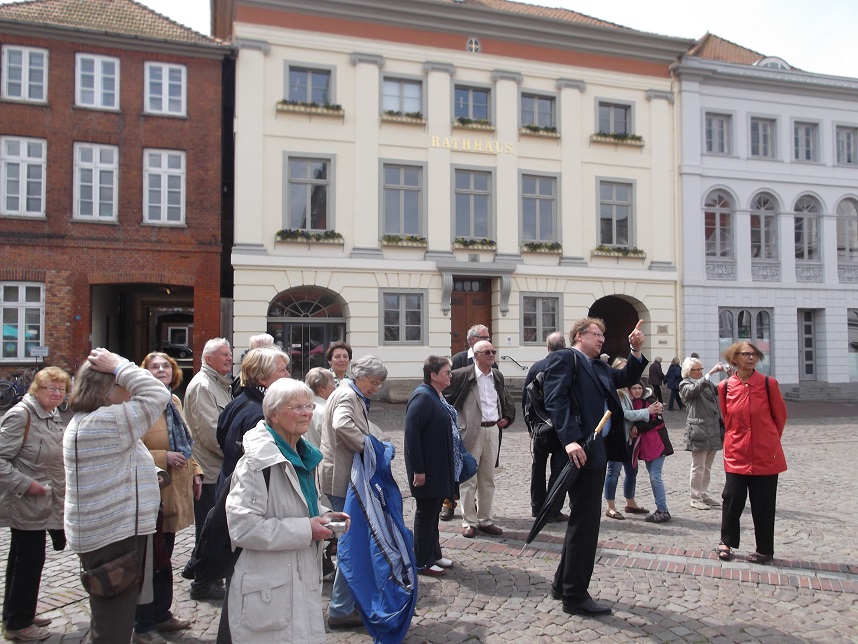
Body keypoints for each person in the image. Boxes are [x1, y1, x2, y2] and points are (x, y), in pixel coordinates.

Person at [225, 378, 349, 642]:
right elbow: (242, 527)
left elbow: (298, 505)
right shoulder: (257, 463)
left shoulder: (305, 456)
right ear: (274, 415)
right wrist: (306, 530)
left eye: (309, 406)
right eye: (297, 407)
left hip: (300, 576)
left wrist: (325, 516)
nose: (306, 413)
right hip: (268, 587)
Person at [542, 317, 647, 617]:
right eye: (596, 334)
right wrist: (569, 440)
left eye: (603, 334)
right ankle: (575, 596)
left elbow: (626, 376)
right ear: (579, 336)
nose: (601, 339)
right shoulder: (566, 358)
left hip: (597, 452)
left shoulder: (599, 366)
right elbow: (556, 400)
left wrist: (635, 350)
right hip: (578, 451)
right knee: (585, 525)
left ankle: (562, 585)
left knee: (582, 522)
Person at [64, 349, 170, 644]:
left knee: (114, 616)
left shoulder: (91, 421)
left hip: (111, 532)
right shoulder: (105, 422)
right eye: (123, 386)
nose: (129, 392)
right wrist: (120, 365)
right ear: (107, 391)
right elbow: (157, 393)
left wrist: (148, 473)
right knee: (112, 626)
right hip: (114, 537)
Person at [132, 353, 201, 643]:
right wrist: (162, 456)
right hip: (152, 492)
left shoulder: (173, 401)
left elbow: (185, 442)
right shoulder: (137, 405)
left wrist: (196, 471)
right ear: (143, 372)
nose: (161, 370)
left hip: (174, 491)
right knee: (149, 558)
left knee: (165, 555)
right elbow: (130, 448)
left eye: (166, 366)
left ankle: (162, 613)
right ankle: (143, 623)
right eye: (154, 366)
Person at [0, 367, 71, 642]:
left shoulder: (52, 414)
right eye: (51, 388)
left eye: (61, 389)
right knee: (29, 560)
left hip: (44, 500)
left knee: (22, 558)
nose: (57, 393)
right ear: (36, 390)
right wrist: (25, 484)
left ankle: (19, 613)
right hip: (26, 501)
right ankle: (19, 624)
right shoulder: (22, 415)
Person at [320, 355, 388, 629]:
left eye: (379, 383)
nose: (376, 388)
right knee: (352, 546)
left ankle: (346, 604)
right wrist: (370, 448)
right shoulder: (348, 395)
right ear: (359, 376)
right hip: (342, 477)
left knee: (351, 544)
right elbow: (342, 425)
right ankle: (340, 608)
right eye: (374, 382)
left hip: (342, 475)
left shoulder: (349, 392)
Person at [716, 342, 787, 565]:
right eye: (746, 354)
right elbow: (727, 419)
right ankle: (726, 542)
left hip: (765, 455)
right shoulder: (725, 386)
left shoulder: (768, 384)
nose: (751, 357)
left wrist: (768, 439)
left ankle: (764, 550)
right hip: (736, 453)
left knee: (763, 504)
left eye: (754, 354)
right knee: (731, 498)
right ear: (734, 358)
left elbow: (780, 417)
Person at [445, 340, 515, 539]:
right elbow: (446, 399)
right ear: (476, 356)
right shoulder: (462, 375)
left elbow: (504, 399)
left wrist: (507, 417)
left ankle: (485, 520)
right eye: (487, 352)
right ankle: (469, 521)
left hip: (492, 430)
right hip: (470, 432)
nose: (491, 355)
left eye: (493, 351)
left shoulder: (497, 376)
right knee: (468, 479)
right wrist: (454, 425)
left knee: (488, 478)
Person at [182, 338, 233, 600]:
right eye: (223, 354)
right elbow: (210, 433)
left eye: (230, 353)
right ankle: (202, 581)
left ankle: (206, 576)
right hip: (209, 470)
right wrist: (233, 454)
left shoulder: (220, 384)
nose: (229, 358)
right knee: (208, 528)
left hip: (217, 468)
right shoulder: (203, 386)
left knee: (214, 527)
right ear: (208, 358)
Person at [404, 357, 457, 577]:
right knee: (426, 513)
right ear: (434, 375)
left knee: (434, 512)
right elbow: (412, 435)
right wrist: (418, 469)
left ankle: (434, 554)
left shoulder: (435, 395)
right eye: (447, 372)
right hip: (426, 469)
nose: (450, 376)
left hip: (437, 466)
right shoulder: (423, 397)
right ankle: (421, 561)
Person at [217, 347, 291, 492]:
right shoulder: (262, 415)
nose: (288, 375)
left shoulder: (238, 401)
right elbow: (262, 464)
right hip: (248, 492)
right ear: (262, 379)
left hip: (231, 486)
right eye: (282, 370)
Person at [444, 324, 492, 520]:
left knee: (477, 469)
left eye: (488, 337)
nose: (488, 340)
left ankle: (473, 506)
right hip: (460, 424)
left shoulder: (490, 361)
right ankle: (448, 502)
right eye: (483, 337)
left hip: (483, 426)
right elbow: (447, 390)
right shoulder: (458, 360)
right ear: (472, 340)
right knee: (454, 464)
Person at [523, 331, 569, 522]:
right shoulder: (568, 366)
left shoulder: (537, 366)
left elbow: (526, 399)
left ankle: (536, 506)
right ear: (564, 346)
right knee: (558, 469)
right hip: (560, 426)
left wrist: (530, 426)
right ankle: (552, 509)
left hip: (540, 426)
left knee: (538, 467)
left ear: (548, 347)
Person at [603, 358, 657, 521]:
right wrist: (647, 412)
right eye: (623, 368)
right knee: (614, 472)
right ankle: (610, 506)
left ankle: (630, 502)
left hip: (630, 438)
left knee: (632, 471)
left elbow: (639, 403)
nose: (626, 371)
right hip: (617, 437)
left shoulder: (629, 390)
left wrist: (635, 425)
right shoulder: (617, 391)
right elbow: (624, 413)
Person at [678, 357, 725, 510]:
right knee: (698, 466)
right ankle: (695, 497)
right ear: (688, 371)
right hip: (698, 430)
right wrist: (710, 373)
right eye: (697, 369)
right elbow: (692, 391)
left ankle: (703, 493)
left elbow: (718, 390)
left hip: (712, 429)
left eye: (701, 369)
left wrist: (730, 377)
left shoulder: (705, 382)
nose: (700, 372)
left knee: (707, 466)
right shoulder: (685, 384)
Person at [629, 382, 674, 523]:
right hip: (646, 447)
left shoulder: (651, 401)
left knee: (655, 477)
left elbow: (657, 422)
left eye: (639, 388)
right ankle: (661, 509)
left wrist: (638, 426)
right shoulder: (631, 403)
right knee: (653, 476)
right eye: (634, 388)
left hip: (658, 444)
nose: (637, 390)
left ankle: (663, 510)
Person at [304, 367, 336, 449]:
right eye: (333, 383)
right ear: (321, 387)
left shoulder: (301, 409)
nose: (335, 387)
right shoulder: (328, 412)